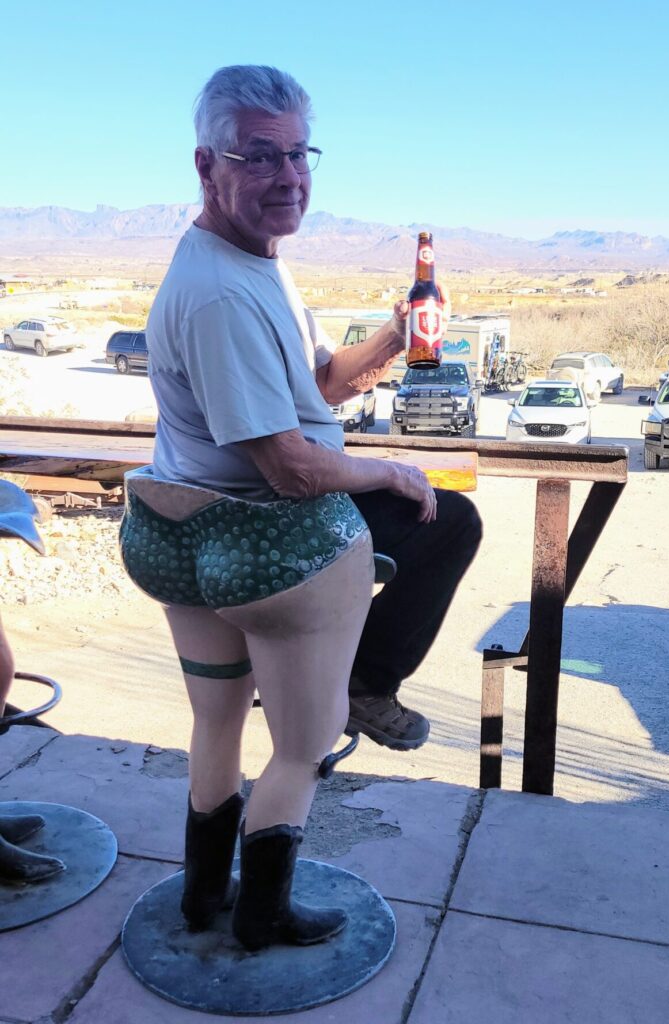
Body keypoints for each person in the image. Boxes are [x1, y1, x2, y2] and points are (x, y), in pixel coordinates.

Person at [119, 64, 481, 951]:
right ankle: (266, 908)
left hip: (173, 527)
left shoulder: (246, 261)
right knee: (301, 742)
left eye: (299, 155)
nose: (288, 177)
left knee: (215, 721)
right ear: (208, 165)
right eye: (259, 157)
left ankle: (204, 892)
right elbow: (288, 466)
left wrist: (395, 334)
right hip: (257, 539)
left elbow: (318, 386)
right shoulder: (220, 294)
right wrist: (387, 472)